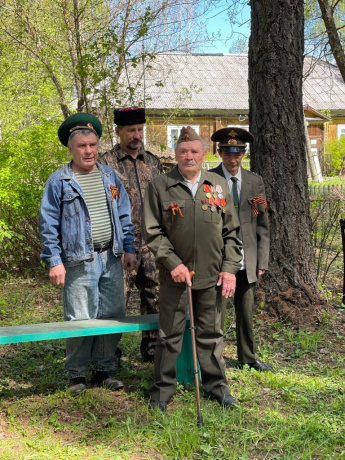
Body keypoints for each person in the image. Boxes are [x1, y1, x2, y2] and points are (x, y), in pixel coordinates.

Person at [142, 126, 243, 412]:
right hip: (176, 277)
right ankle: (161, 391)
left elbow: (231, 233)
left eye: (194, 152)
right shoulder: (160, 186)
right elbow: (152, 232)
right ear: (175, 154)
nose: (189, 156)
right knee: (169, 335)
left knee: (211, 334)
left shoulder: (217, 185)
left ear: (204, 154)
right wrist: (173, 263)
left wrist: (229, 269)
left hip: (213, 277)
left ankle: (217, 388)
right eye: (183, 151)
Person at [39, 113, 136, 395]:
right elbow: (48, 224)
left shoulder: (109, 176)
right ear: (70, 149)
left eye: (92, 144)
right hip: (79, 260)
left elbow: (124, 215)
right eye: (82, 145)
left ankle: (105, 369)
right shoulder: (59, 181)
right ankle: (77, 374)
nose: (89, 150)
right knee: (80, 317)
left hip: (112, 257)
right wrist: (54, 260)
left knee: (112, 314)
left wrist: (129, 247)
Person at [100, 107, 163, 362]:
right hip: (119, 247)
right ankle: (108, 357)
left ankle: (153, 352)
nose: (137, 135)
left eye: (139, 130)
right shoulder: (106, 164)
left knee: (155, 298)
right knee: (116, 304)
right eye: (130, 130)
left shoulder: (153, 162)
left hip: (151, 244)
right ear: (118, 132)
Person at [210, 127, 272, 372]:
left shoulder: (254, 182)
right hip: (219, 258)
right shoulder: (210, 180)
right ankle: (214, 359)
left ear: (244, 154)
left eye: (237, 154)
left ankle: (248, 356)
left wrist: (262, 260)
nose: (232, 159)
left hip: (247, 258)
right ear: (219, 153)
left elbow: (262, 223)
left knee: (246, 311)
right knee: (217, 313)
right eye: (227, 154)